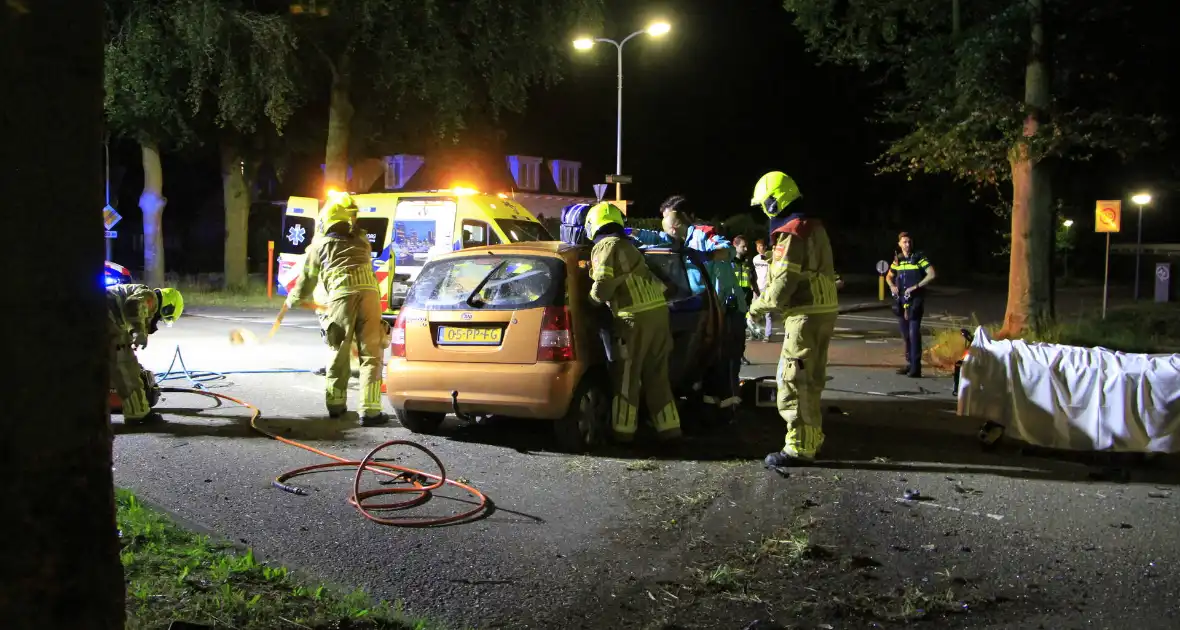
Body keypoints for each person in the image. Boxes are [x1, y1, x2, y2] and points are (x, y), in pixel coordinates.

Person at [747, 171, 839, 467]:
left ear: (774, 203)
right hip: (824, 311)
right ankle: (812, 438)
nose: (763, 210)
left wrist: (756, 309)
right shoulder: (815, 226)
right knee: (811, 379)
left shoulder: (791, 232)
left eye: (764, 204)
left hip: (804, 313)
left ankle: (799, 447)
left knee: (793, 379)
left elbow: (785, 281)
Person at [629, 195, 747, 423]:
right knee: (704, 364)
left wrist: (706, 256)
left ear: (679, 220)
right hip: (702, 307)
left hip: (726, 308)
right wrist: (630, 233)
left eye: (668, 219)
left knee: (724, 363)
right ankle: (704, 413)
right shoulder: (677, 240)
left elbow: (727, 251)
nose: (667, 226)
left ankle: (727, 415)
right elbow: (655, 237)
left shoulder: (703, 234)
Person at [288, 191, 390, 425]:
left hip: (341, 297)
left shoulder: (320, 245)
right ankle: (371, 411)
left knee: (338, 350)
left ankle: (336, 405)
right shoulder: (363, 240)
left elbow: (307, 279)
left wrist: (295, 298)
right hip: (370, 295)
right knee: (371, 354)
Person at [584, 202, 682, 443]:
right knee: (657, 375)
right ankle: (670, 431)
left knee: (627, 377)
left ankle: (623, 434)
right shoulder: (629, 246)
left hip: (633, 318)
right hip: (658, 314)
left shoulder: (605, 246)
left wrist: (589, 302)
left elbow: (602, 287)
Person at [108, 283, 184, 424]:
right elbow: (133, 304)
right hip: (106, 318)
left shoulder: (138, 292)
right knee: (126, 364)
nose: (156, 322)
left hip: (97, 317)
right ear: (167, 308)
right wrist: (138, 330)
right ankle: (137, 413)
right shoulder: (150, 297)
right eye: (161, 318)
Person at [885, 232, 936, 378]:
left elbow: (931, 274)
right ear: (899, 244)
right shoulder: (898, 260)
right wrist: (891, 286)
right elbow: (889, 276)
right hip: (901, 301)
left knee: (914, 333)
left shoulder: (918, 258)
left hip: (915, 300)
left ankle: (916, 368)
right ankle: (910, 363)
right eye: (904, 242)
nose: (907, 245)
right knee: (906, 334)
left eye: (909, 242)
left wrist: (916, 287)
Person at [751, 238, 773, 341]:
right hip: (757, 287)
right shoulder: (755, 259)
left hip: (768, 287)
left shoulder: (771, 258)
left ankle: (768, 335)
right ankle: (754, 332)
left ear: (765, 247)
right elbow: (754, 274)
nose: (760, 248)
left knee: (768, 312)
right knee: (753, 310)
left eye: (761, 246)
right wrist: (753, 286)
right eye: (758, 246)